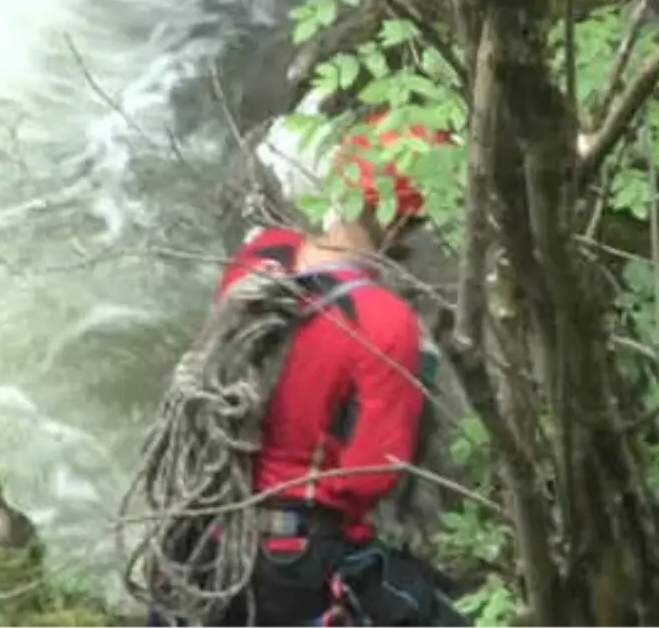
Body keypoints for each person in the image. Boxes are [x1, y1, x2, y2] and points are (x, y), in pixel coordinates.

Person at [190, 113, 466, 627]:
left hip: (210, 539)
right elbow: (371, 474)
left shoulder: (259, 260)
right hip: (299, 560)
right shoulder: (386, 321)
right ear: (405, 222)